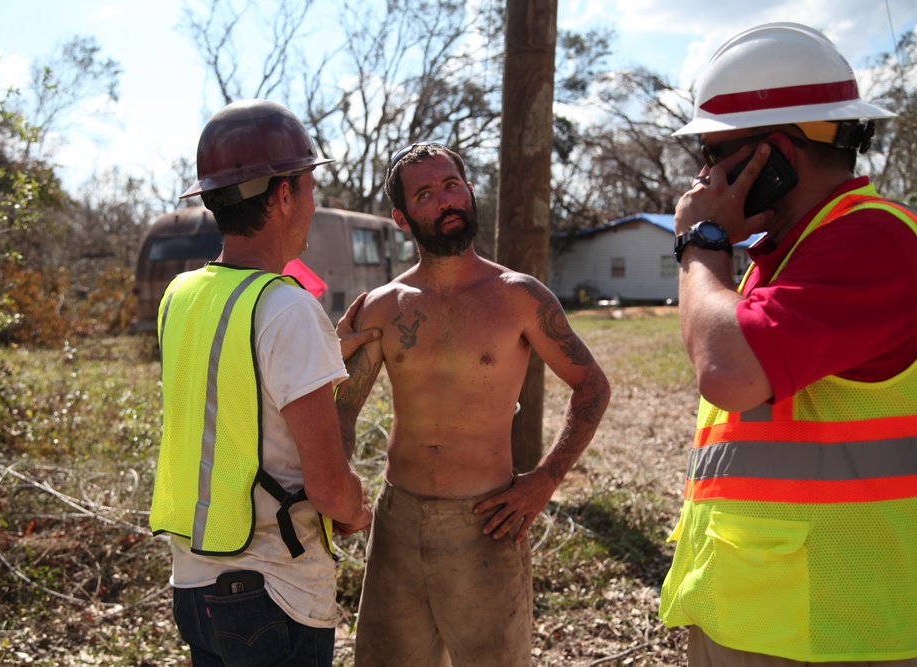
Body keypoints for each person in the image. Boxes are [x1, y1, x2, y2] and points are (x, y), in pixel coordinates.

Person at [661, 22, 917, 666]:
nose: (702, 176)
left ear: (773, 156)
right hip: (763, 612)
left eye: (716, 154)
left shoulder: (873, 242)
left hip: (836, 626)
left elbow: (728, 370)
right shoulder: (785, 255)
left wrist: (700, 243)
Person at [335, 141, 611, 667]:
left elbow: (592, 385)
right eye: (425, 194)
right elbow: (344, 409)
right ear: (401, 218)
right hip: (397, 523)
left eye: (452, 184)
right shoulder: (384, 307)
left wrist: (545, 479)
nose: (446, 200)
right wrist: (337, 479)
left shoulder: (519, 297)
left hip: (486, 521)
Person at [148, 99, 374, 667]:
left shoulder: (181, 295)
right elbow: (327, 487)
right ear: (281, 196)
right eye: (309, 187)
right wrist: (357, 509)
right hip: (271, 592)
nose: (314, 204)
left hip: (194, 586)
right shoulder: (287, 309)